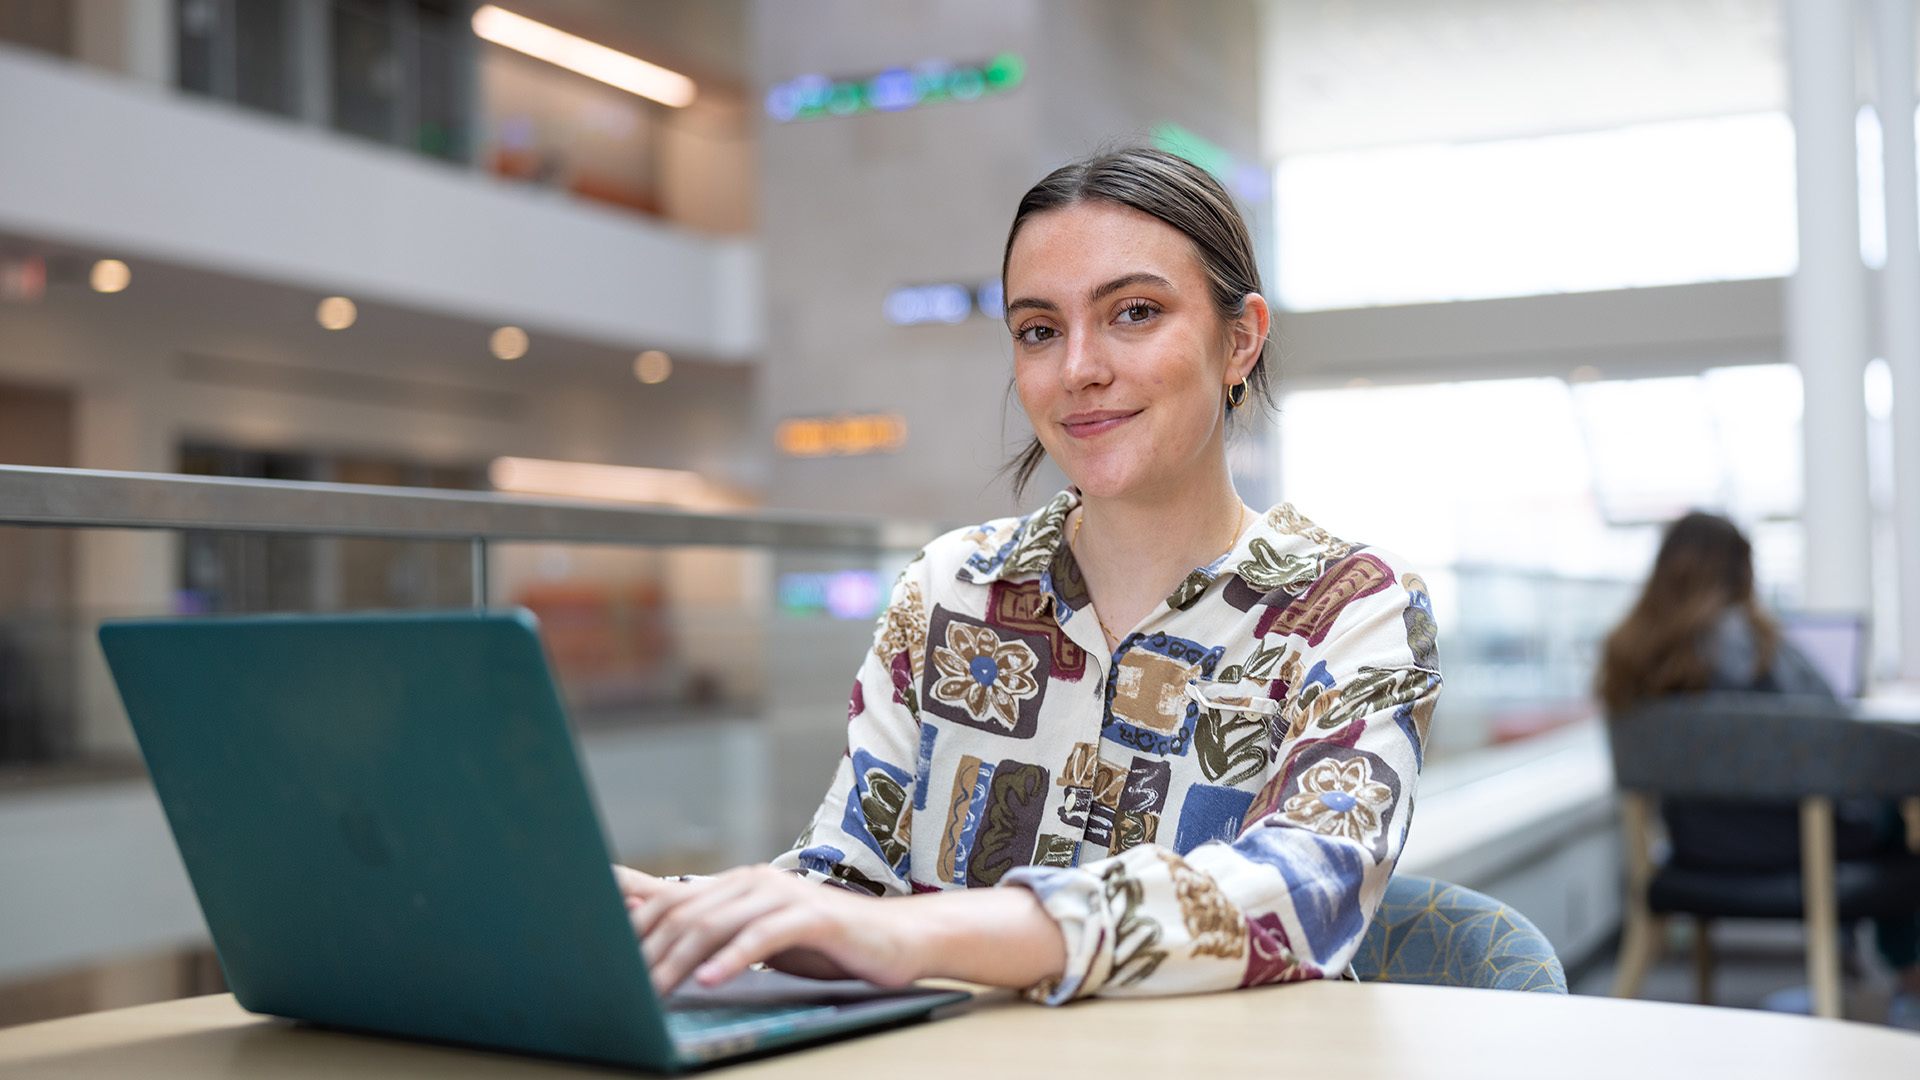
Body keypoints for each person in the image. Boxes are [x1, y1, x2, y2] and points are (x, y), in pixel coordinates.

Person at [617, 147, 1442, 1004]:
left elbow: (1303, 888)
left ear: (1240, 341)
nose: (1078, 367)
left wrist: (926, 935)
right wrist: (660, 909)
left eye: (1133, 312)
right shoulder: (951, 589)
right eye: (1039, 330)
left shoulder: (1350, 607)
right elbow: (849, 880)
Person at [1597, 510, 1920, 1026]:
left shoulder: (1628, 654)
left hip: (1693, 850)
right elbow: (1833, 739)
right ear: (1742, 572)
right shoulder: (1766, 646)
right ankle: (1907, 979)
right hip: (1799, 846)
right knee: (1903, 823)